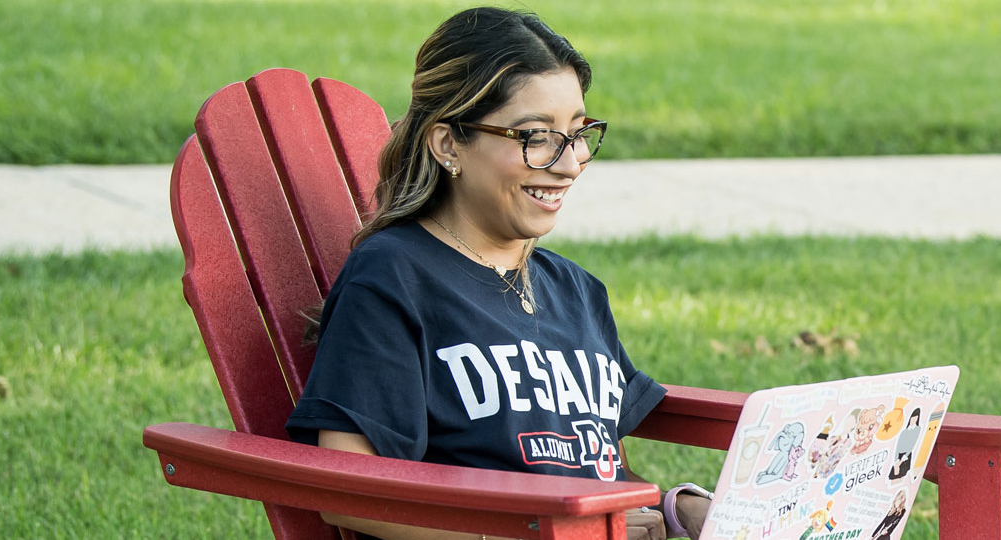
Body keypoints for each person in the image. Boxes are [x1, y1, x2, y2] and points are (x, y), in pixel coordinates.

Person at [283, 8, 708, 539]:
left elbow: (601, 472)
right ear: (448, 144)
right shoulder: (395, 278)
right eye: (535, 136)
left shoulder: (575, 291)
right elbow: (348, 493)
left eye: (577, 133)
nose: (570, 162)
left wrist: (673, 509)